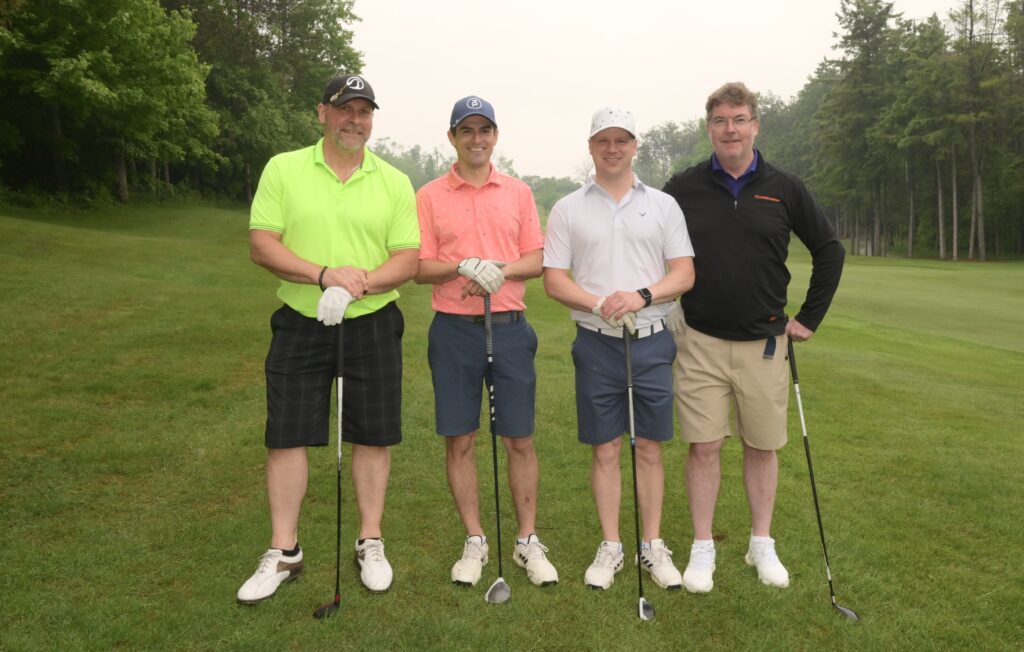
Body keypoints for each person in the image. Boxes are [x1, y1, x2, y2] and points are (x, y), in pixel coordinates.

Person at [237, 74, 420, 603]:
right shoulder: (284, 168)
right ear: (323, 113)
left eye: (364, 112)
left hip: (374, 321)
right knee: (286, 435)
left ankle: (370, 540)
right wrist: (323, 276)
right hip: (300, 319)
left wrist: (356, 284)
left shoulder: (394, 181)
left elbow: (407, 258)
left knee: (373, 435)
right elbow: (262, 244)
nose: (354, 121)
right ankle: (284, 550)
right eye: (345, 109)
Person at [662, 82, 845, 594]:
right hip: (699, 340)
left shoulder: (784, 187)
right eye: (721, 120)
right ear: (709, 128)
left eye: (739, 119)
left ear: (755, 125)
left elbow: (829, 250)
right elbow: (652, 244)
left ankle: (760, 543)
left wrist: (808, 318)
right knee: (703, 446)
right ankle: (703, 547)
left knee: (762, 447)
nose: (731, 129)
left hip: (765, 343)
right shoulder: (683, 188)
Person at [543, 107, 695, 591]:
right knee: (606, 447)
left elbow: (684, 273)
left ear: (634, 146)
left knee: (649, 447)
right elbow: (554, 280)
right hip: (596, 342)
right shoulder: (568, 208)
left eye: (622, 140)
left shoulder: (664, 205)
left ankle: (652, 544)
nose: (613, 149)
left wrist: (641, 296)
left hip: (651, 341)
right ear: (591, 146)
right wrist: (601, 304)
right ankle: (611, 545)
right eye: (603, 140)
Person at [414, 95, 557, 588]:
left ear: (495, 136)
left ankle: (526, 539)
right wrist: (461, 266)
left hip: (510, 328)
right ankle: (475, 539)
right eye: (467, 130)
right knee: (461, 439)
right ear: (452, 137)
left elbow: (535, 258)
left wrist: (498, 270)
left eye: (485, 130)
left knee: (520, 438)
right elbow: (420, 267)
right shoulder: (430, 195)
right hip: (454, 331)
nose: (477, 139)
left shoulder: (518, 192)